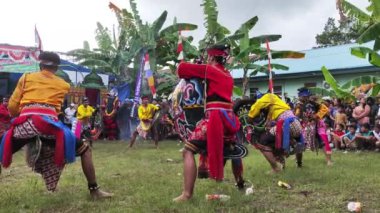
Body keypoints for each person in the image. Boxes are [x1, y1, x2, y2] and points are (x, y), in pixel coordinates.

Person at [0, 52, 112, 198]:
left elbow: (12, 107)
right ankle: (94, 190)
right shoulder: (63, 85)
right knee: (85, 150)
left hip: (25, 124)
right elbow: (56, 110)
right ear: (57, 68)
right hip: (49, 127)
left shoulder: (26, 77)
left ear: (40, 65)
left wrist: (24, 113)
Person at [173, 44, 246, 202]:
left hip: (215, 119)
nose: (207, 59)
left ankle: (187, 194)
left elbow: (181, 69)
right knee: (233, 150)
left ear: (212, 57)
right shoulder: (227, 74)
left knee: (188, 151)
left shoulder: (210, 70)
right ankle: (240, 184)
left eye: (208, 57)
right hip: (229, 119)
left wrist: (195, 63)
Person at [247, 92, 304, 171]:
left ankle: (276, 168)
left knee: (262, 141)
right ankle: (298, 163)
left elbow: (258, 104)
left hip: (287, 126)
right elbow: (268, 123)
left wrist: (250, 116)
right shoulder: (278, 105)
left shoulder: (269, 96)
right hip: (297, 125)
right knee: (273, 139)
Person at [296, 88, 332, 166]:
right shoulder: (299, 105)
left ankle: (329, 160)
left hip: (317, 124)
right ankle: (299, 162)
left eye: (303, 96)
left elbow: (325, 109)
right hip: (305, 126)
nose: (301, 98)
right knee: (300, 142)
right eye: (300, 96)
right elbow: (297, 115)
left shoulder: (314, 103)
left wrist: (316, 115)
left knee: (323, 140)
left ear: (306, 96)